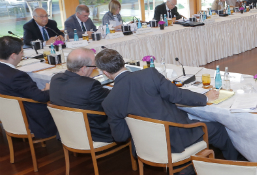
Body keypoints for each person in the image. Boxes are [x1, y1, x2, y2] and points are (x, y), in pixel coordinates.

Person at [95, 49, 242, 161]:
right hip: (176, 137)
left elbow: (120, 136)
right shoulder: (149, 75)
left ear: (105, 72)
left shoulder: (109, 101)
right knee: (219, 128)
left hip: (144, 145)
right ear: (122, 61)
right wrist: (204, 98)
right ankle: (234, 165)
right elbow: (178, 95)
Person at [49, 48, 113, 142]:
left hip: (66, 132)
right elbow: (114, 98)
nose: (94, 68)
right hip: (93, 135)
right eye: (93, 66)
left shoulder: (55, 79)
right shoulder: (90, 85)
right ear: (83, 68)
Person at [0, 35, 57, 139]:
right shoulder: (16, 76)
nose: (22, 55)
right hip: (30, 119)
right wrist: (48, 90)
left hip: (7, 116)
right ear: (13, 55)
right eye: (21, 52)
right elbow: (41, 98)